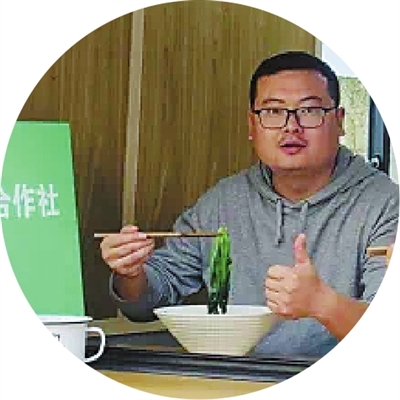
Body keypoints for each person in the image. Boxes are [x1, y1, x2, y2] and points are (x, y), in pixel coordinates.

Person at [100, 51, 398, 357]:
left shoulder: (386, 204)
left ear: (339, 121)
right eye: (273, 111)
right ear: (252, 125)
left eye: (309, 110)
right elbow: (148, 300)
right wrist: (131, 273)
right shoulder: (224, 200)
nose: (291, 127)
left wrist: (322, 303)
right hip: (232, 374)